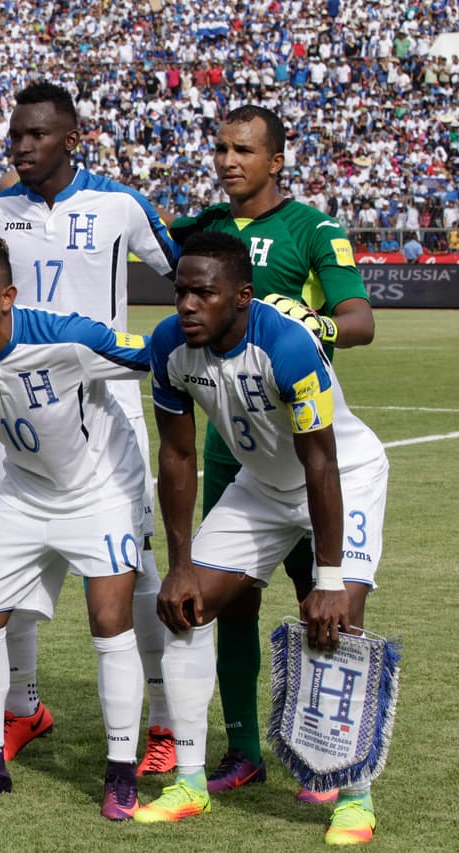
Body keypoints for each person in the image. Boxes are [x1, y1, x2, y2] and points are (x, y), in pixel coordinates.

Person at [137, 231, 389, 847]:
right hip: (261, 487)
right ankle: (189, 784)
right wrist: (180, 564)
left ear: (243, 296)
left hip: (342, 477)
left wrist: (329, 580)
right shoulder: (169, 346)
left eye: (204, 293)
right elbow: (176, 455)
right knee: (187, 607)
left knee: (339, 622)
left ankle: (355, 796)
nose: (187, 306)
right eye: (180, 293)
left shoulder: (286, 344)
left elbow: (322, 464)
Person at [167, 104, 375, 801]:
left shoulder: (312, 228)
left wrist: (309, 321)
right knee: (229, 605)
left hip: (309, 438)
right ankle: (241, 748)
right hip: (239, 449)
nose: (228, 161)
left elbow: (360, 320)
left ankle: (330, 762)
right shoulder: (202, 231)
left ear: (276, 159)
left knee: (325, 600)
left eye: (244, 150)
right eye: (220, 148)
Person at [0, 81, 180, 775]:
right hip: (23, 411)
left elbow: (186, 272)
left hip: (109, 407)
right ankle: (24, 706)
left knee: (140, 568)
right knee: (14, 566)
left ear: (70, 137)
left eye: (36, 135)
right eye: (15, 135)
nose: (22, 146)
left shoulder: (120, 203)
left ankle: (161, 722)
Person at [0, 239, 150, 818]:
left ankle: (121, 771)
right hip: (22, 490)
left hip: (100, 489)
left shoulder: (66, 337)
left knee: (110, 619)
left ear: (7, 297)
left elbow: (155, 354)